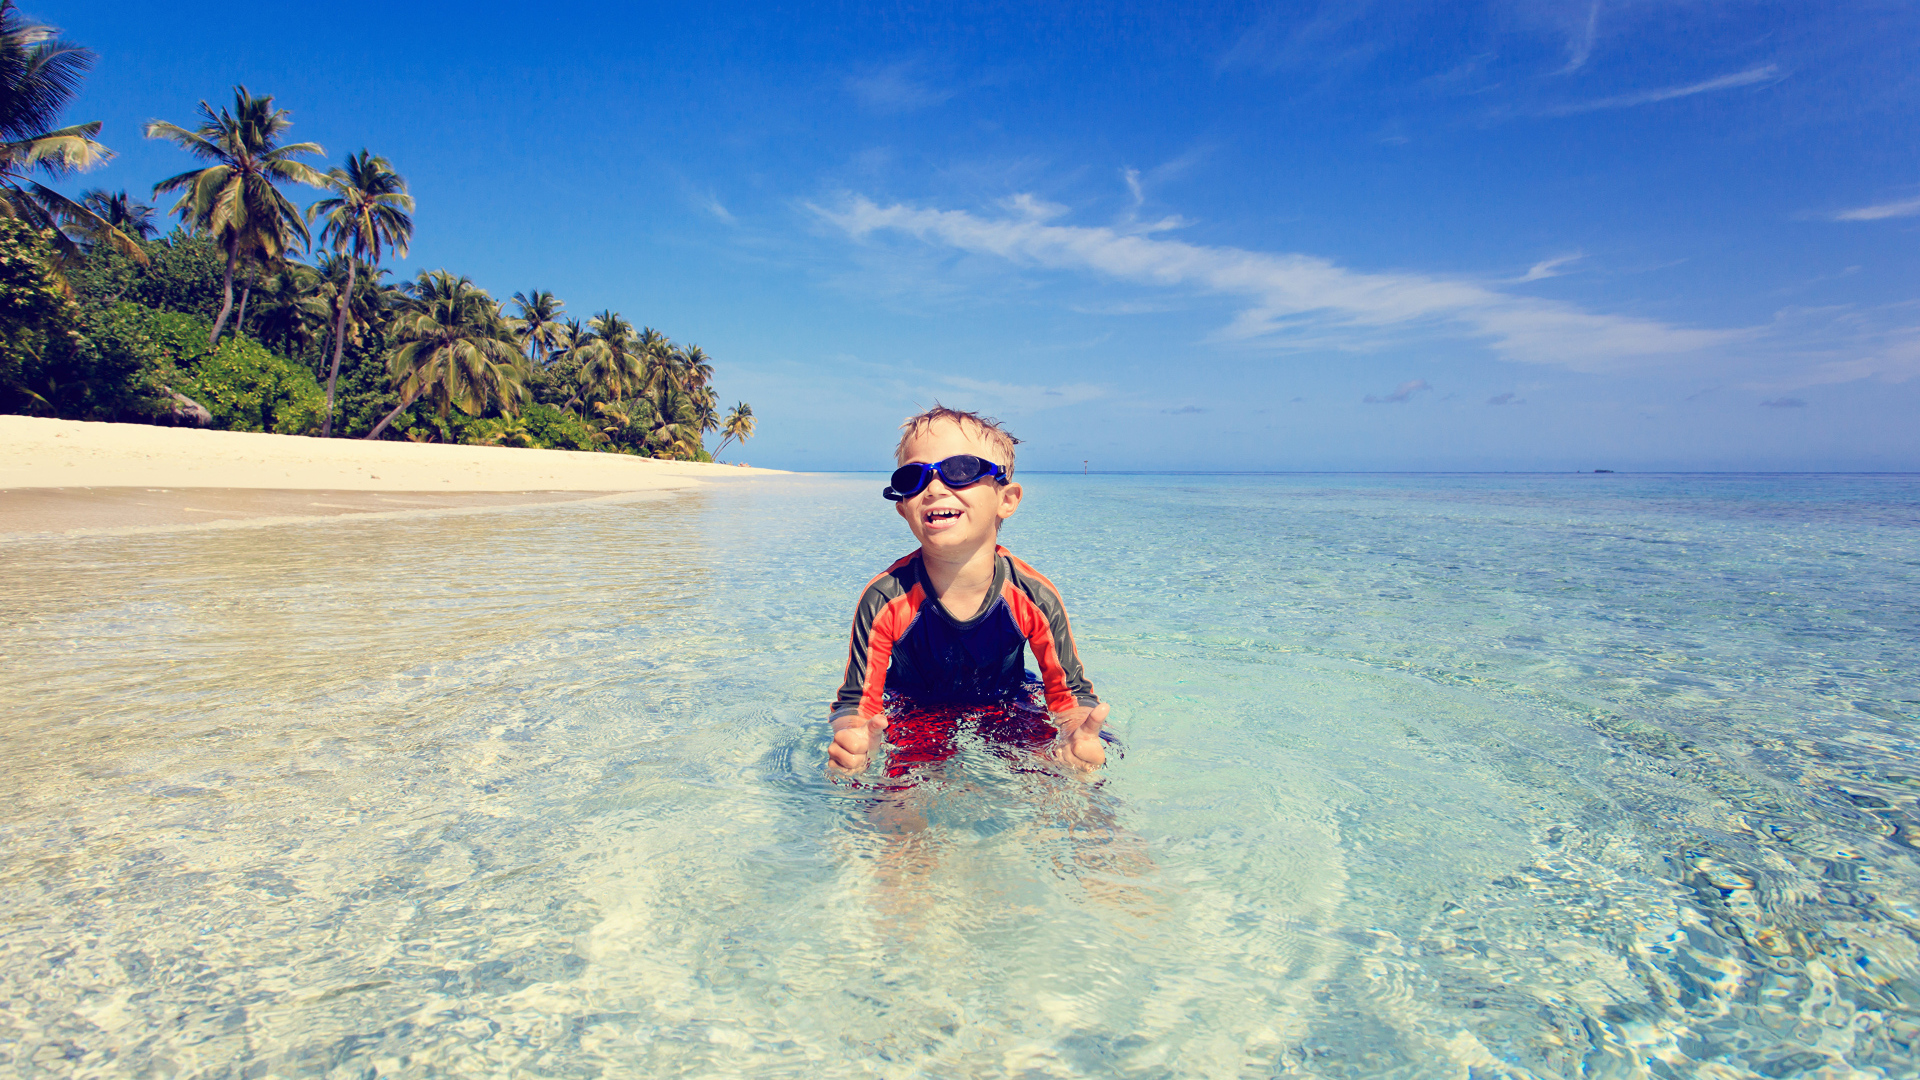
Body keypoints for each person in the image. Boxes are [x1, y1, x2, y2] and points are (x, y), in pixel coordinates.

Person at [828, 405, 1110, 775]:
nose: (933, 488)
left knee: (1068, 773)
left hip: (1007, 703)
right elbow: (857, 701)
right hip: (915, 709)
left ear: (1007, 500)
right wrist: (853, 737)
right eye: (913, 477)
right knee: (897, 797)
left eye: (961, 470)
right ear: (903, 508)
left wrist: (1074, 733)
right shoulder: (886, 598)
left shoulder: (1032, 597)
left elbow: (1069, 694)